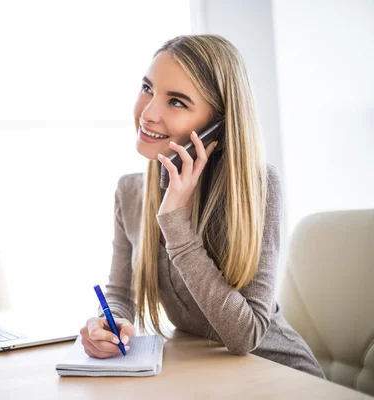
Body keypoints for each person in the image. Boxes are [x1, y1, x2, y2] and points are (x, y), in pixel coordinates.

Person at [79, 34, 325, 379]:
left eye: (177, 102)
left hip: (280, 376)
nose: (148, 113)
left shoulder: (255, 188)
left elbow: (247, 335)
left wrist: (174, 222)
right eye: (147, 88)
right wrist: (111, 323)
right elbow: (121, 292)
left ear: (218, 126)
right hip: (210, 374)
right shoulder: (131, 191)